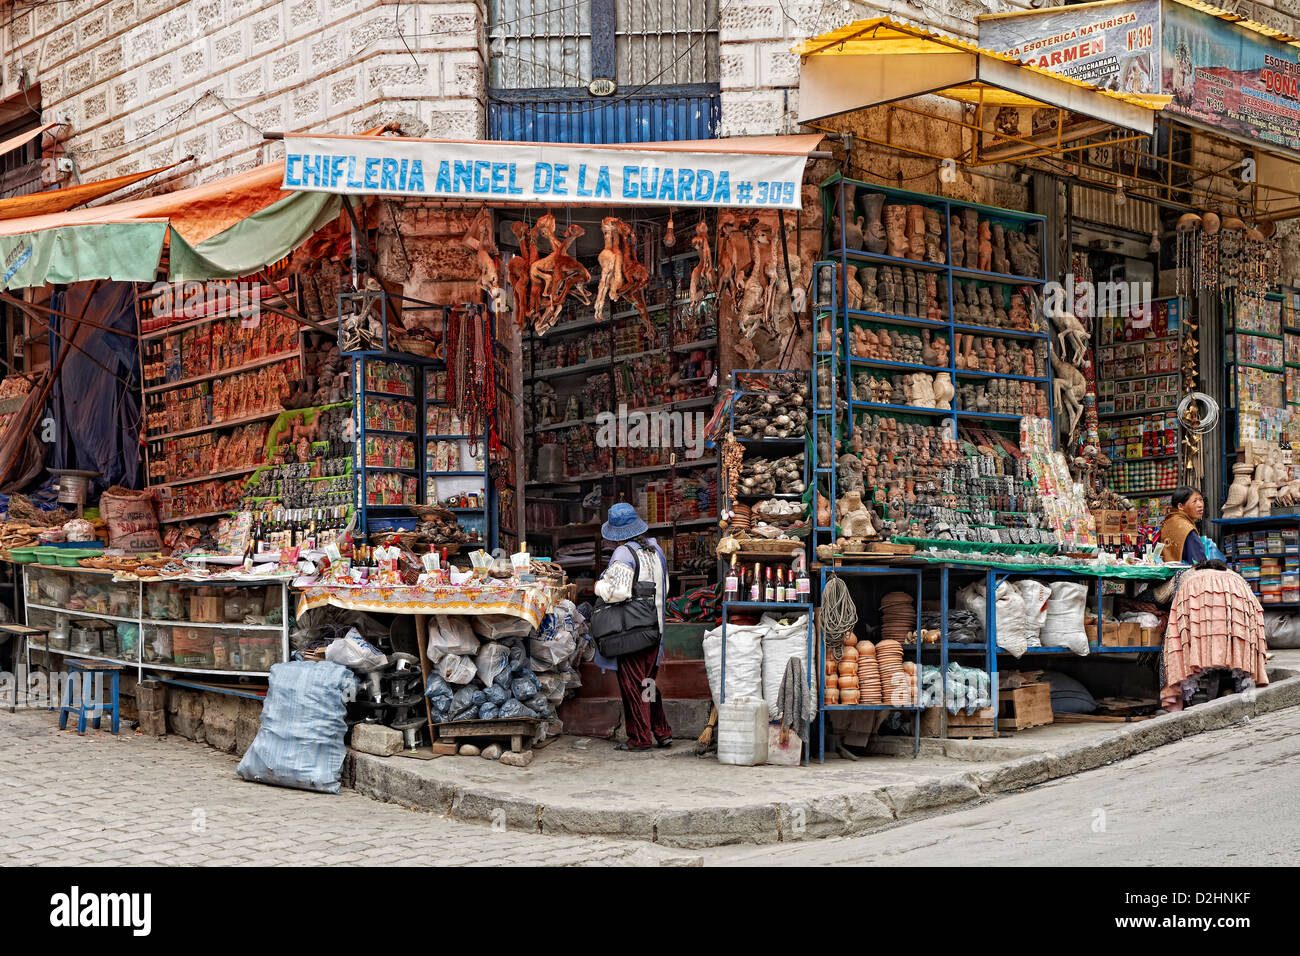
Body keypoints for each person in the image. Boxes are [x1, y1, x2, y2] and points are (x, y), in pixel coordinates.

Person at [594, 502, 673, 752]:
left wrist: (599, 587)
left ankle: (639, 738)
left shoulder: (623, 554)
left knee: (633, 685)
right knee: (647, 683)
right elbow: (666, 587)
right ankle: (661, 731)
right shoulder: (655, 549)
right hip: (655, 629)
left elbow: (618, 592)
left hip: (632, 631)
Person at [1159, 487, 1207, 564]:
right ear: (1180, 506)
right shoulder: (1186, 528)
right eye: (1194, 501)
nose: (1200, 505)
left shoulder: (1171, 519)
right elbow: (1199, 560)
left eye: (1201, 500)